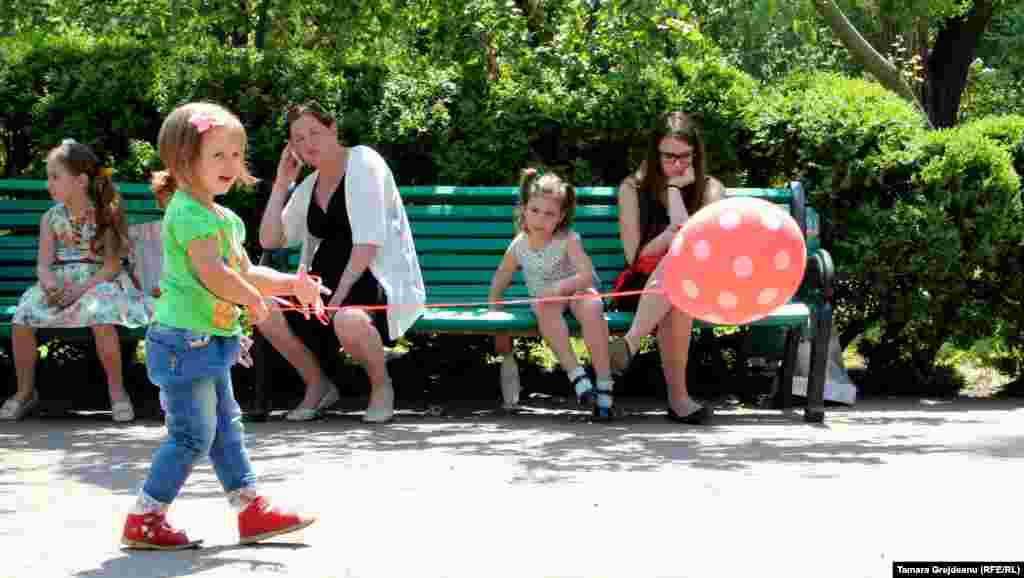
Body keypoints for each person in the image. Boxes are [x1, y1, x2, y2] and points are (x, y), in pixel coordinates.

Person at [121, 102, 325, 550]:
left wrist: (293, 285)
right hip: (182, 343)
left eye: (237, 155)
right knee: (193, 435)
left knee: (226, 428)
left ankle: (251, 510)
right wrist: (252, 301)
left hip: (208, 341)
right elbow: (214, 274)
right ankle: (145, 518)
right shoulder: (187, 212)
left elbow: (245, 270)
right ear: (182, 160)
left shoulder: (224, 218)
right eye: (218, 155)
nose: (232, 165)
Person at [258, 102, 425, 423]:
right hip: (322, 283)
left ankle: (381, 387)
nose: (308, 144)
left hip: (369, 279)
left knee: (348, 320)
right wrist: (282, 183)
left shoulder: (364, 162)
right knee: (263, 307)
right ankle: (318, 385)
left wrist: (335, 300)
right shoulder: (308, 187)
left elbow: (367, 244)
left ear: (333, 129)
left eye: (315, 133)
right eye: (298, 139)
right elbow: (270, 239)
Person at [0, 140, 152, 422]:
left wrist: (80, 291)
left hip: (99, 282)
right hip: (61, 284)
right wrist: (49, 285)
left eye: (55, 177)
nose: (49, 184)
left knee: (101, 315)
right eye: (48, 177)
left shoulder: (105, 212)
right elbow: (44, 265)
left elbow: (111, 266)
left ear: (80, 181)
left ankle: (117, 391)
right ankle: (24, 392)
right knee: (22, 316)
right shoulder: (51, 218)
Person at [608, 112, 725, 425]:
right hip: (642, 286)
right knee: (677, 282)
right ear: (654, 153)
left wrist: (675, 192)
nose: (678, 164)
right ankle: (679, 401)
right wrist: (670, 232)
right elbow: (636, 257)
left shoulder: (711, 190)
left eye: (686, 156)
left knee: (682, 271)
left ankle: (630, 343)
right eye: (669, 156)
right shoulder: (631, 189)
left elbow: (700, 247)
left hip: (700, 283)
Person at [489, 168, 614, 419]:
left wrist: (559, 288)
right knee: (546, 308)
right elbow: (501, 278)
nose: (540, 218)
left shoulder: (568, 240)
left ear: (561, 216)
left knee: (590, 307)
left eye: (549, 214)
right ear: (525, 208)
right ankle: (576, 375)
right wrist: (495, 310)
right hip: (546, 301)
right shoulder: (519, 246)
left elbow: (587, 274)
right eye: (535, 210)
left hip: (577, 291)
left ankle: (604, 381)